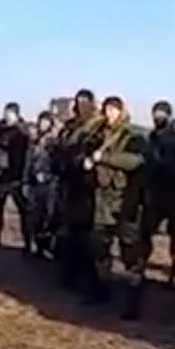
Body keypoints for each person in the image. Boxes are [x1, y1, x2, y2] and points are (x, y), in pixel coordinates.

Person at [84, 96, 148, 315]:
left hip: (124, 201)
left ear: (121, 111)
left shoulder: (132, 134)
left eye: (114, 109)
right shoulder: (97, 133)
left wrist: (105, 158)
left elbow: (136, 160)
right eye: (107, 109)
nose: (110, 113)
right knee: (99, 247)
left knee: (130, 252)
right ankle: (101, 290)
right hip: (101, 198)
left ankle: (134, 302)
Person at [52, 89, 100, 292]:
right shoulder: (70, 127)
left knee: (86, 236)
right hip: (68, 186)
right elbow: (61, 150)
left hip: (87, 189)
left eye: (85, 101)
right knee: (68, 233)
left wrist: (78, 160)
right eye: (78, 101)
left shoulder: (97, 127)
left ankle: (90, 280)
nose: (81, 106)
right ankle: (69, 274)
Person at [143, 100, 175, 283]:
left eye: (161, 113)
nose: (157, 117)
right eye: (155, 113)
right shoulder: (153, 137)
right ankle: (141, 268)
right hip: (156, 192)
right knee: (146, 233)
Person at [0, 102, 31, 248]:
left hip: (17, 177)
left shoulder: (22, 132)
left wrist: (24, 176)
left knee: (24, 210)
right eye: (6, 112)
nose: (7, 116)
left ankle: (28, 242)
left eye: (10, 113)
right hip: (0, 175)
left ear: (17, 115)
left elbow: (28, 155)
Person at [23, 111, 60, 257]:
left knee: (49, 216)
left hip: (50, 184)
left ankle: (46, 246)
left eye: (46, 121)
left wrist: (49, 176)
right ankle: (37, 246)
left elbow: (58, 163)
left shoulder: (55, 142)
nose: (43, 124)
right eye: (41, 121)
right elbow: (28, 162)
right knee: (34, 216)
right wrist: (25, 180)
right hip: (34, 184)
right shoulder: (34, 141)